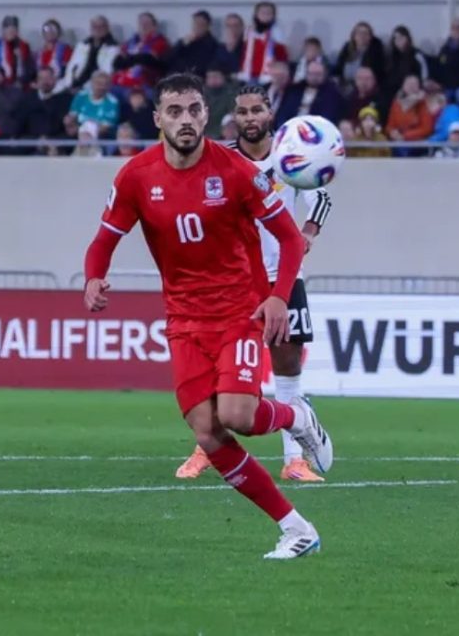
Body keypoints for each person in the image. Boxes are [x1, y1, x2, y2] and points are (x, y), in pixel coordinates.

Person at [83, 73, 333, 558]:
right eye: (173, 111)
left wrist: (278, 296)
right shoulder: (136, 175)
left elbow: (287, 237)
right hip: (182, 321)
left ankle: (296, 415)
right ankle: (296, 529)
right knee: (207, 431)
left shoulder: (238, 172)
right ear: (157, 118)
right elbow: (104, 239)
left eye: (194, 110)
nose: (185, 120)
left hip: (239, 311)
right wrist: (94, 276)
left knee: (238, 413)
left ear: (204, 116)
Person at [175, 83, 334, 483]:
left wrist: (309, 232)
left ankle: (295, 459)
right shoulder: (220, 160)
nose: (249, 118)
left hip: (283, 275)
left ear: (269, 113)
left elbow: (321, 196)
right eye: (242, 112)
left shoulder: (290, 159)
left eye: (256, 110)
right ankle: (207, 447)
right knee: (217, 367)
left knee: (285, 362)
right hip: (233, 278)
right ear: (234, 117)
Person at [276, 60, 346, 126]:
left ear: (324, 75)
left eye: (318, 74)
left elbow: (328, 117)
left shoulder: (332, 94)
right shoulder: (295, 90)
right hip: (291, 127)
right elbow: (283, 112)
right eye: (311, 74)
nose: (314, 77)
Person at [113, 11, 170, 92]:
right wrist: (137, 57)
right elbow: (118, 62)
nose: (143, 26)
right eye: (141, 23)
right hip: (123, 81)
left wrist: (130, 58)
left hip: (145, 83)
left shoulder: (160, 42)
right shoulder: (131, 42)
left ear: (154, 26)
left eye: (146, 23)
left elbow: (149, 60)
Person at [61, 15, 120, 93]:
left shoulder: (113, 48)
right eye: (95, 26)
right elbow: (72, 67)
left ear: (107, 28)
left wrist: (84, 87)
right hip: (75, 84)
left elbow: (106, 71)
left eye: (101, 27)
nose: (98, 29)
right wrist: (69, 84)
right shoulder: (82, 45)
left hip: (95, 87)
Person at [239, 1, 289, 85]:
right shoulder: (247, 33)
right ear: (256, 15)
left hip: (269, 78)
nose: (265, 16)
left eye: (268, 13)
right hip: (248, 76)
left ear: (273, 16)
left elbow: (282, 58)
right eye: (262, 13)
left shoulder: (277, 35)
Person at [166, 10, 220, 78]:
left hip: (197, 79)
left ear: (207, 26)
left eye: (201, 24)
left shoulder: (212, 45)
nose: (197, 27)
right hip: (178, 77)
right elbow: (168, 59)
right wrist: (182, 44)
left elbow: (204, 66)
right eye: (195, 23)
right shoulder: (185, 41)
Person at [386, 74, 435, 146]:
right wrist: (392, 132)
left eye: (414, 84)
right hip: (398, 140)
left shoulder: (423, 102)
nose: (411, 86)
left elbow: (427, 128)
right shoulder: (397, 103)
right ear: (403, 86)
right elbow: (390, 125)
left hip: (416, 142)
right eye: (408, 83)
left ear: (419, 87)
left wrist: (405, 136)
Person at [333, 21, 385, 89]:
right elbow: (338, 69)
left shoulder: (375, 53)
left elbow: (377, 75)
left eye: (365, 33)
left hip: (364, 89)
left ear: (370, 37)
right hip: (344, 86)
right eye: (359, 33)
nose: (362, 36)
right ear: (354, 36)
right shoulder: (347, 49)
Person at [68, 70, 120, 137]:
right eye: (99, 83)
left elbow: (105, 128)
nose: (101, 87)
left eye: (105, 84)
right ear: (92, 83)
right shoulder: (81, 96)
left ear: (109, 86)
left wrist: (85, 134)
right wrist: (70, 124)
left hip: (99, 136)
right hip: (77, 132)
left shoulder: (113, 102)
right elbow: (72, 116)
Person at [385, 25, 430, 99]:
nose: (398, 40)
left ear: (407, 38)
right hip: (394, 90)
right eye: (395, 38)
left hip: (413, 90)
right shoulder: (390, 56)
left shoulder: (416, 54)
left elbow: (424, 73)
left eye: (401, 37)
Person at [0, 15, 34, 88]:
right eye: (8, 29)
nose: (10, 32)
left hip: (19, 85)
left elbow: (30, 69)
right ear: (3, 30)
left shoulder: (24, 46)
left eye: (13, 29)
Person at [37, 19, 73, 83]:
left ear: (58, 32)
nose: (50, 32)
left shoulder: (65, 49)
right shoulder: (39, 52)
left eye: (53, 30)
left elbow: (68, 70)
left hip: (59, 83)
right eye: (47, 30)